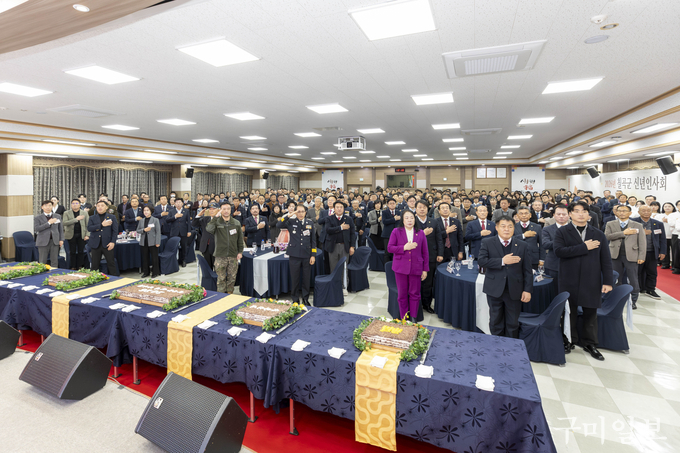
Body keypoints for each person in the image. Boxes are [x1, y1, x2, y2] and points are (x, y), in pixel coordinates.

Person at [554, 201, 613, 361]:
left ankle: (590, 343)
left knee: (590, 313)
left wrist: (608, 281)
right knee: (569, 312)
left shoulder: (598, 233)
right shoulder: (562, 232)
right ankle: (568, 340)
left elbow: (606, 259)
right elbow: (559, 251)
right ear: (570, 214)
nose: (581, 214)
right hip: (569, 278)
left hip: (591, 278)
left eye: (584, 211)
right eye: (577, 211)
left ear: (589, 215)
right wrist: (584, 247)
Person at [477, 216, 533, 338]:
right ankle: (496, 345)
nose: (506, 229)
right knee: (495, 320)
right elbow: (481, 261)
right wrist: (502, 261)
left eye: (510, 226)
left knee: (513, 322)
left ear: (514, 229)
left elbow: (527, 270)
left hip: (515, 290)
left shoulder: (522, 245)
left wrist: (527, 290)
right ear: (496, 228)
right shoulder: (487, 242)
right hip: (494, 288)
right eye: (503, 226)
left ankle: (511, 346)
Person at [387, 210, 429, 320]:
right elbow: (390, 248)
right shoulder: (396, 231)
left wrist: (425, 269)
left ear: (415, 219)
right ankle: (404, 317)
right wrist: (404, 248)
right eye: (406, 218)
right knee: (402, 295)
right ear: (402, 220)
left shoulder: (420, 233)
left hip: (416, 267)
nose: (409, 220)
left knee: (415, 293)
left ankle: (413, 317)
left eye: (411, 218)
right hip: (400, 267)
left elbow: (425, 252)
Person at [605, 205, 645, 309]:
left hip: (632, 255)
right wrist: (623, 233)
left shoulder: (637, 225)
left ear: (630, 213)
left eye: (624, 211)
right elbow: (607, 236)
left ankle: (633, 300)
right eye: (619, 211)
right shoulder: (610, 224)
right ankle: (614, 299)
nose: (621, 213)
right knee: (615, 278)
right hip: (615, 255)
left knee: (633, 279)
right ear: (616, 212)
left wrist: (641, 256)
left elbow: (642, 242)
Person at [278, 204, 316, 306]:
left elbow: (313, 241)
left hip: (306, 255)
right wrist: (289, 215)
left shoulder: (310, 223)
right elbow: (279, 225)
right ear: (295, 212)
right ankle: (295, 299)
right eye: (298, 211)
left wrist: (313, 255)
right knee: (294, 279)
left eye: (302, 211)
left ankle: (305, 298)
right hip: (294, 254)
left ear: (305, 212)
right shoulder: (291, 222)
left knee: (306, 279)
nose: (300, 214)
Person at [207, 202, 244, 294]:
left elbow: (240, 239)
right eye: (224, 209)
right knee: (221, 279)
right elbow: (209, 229)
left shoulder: (236, 223)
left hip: (233, 256)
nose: (226, 211)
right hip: (220, 255)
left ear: (231, 210)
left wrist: (240, 252)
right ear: (220, 210)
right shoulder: (217, 222)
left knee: (232, 278)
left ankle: (229, 296)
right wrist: (216, 217)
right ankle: (220, 297)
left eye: (228, 209)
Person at [631, 205, 666, 300]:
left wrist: (662, 251)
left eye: (648, 210)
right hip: (637, 252)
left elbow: (662, 239)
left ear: (651, 212)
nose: (646, 212)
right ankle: (636, 289)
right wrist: (641, 232)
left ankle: (650, 289)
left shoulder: (658, 223)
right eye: (643, 210)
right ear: (639, 212)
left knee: (652, 272)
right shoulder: (633, 222)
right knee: (637, 271)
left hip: (652, 251)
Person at [415, 200, 442, 314]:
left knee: (428, 283)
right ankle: (416, 305)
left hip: (431, 256)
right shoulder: (411, 221)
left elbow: (439, 239)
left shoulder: (434, 221)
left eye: (424, 207)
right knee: (416, 282)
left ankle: (427, 304)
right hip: (415, 257)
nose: (422, 209)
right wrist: (422, 232)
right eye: (420, 207)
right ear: (415, 209)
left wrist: (440, 253)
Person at [324, 201, 356, 296]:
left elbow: (352, 233)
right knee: (333, 267)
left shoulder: (349, 219)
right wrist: (340, 228)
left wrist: (352, 246)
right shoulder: (329, 218)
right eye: (337, 207)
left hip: (344, 246)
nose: (339, 209)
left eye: (341, 207)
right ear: (334, 208)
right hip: (333, 247)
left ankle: (344, 287)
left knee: (344, 268)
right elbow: (328, 230)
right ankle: (334, 286)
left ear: (343, 209)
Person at [87, 200, 120, 276]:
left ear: (106, 207)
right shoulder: (92, 217)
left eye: (102, 205)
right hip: (95, 244)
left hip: (108, 243)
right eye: (98, 206)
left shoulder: (112, 217)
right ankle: (93, 279)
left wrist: (113, 242)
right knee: (94, 265)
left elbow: (115, 231)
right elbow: (89, 228)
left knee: (111, 263)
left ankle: (114, 278)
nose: (100, 207)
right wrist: (101, 225)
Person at [542, 205, 570, 287]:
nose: (561, 216)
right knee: (553, 290)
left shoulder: (575, 228)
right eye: (558, 214)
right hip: (553, 265)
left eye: (564, 214)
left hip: (571, 264)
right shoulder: (547, 229)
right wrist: (561, 241)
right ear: (554, 215)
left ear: (569, 215)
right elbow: (545, 244)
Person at [34, 200, 64, 267]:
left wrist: (61, 239)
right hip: (43, 241)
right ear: (42, 207)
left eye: (50, 205)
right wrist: (48, 223)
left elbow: (60, 229)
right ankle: (42, 273)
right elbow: (37, 229)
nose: (48, 207)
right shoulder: (37, 218)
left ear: (52, 206)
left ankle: (54, 272)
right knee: (42, 261)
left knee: (54, 260)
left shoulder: (57, 216)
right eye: (45, 205)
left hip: (55, 241)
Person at [63, 198, 89, 269]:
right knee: (72, 252)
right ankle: (73, 266)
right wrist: (76, 219)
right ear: (71, 205)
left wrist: (87, 235)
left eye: (77, 203)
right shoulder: (66, 213)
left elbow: (88, 224)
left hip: (82, 235)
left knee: (81, 251)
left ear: (80, 205)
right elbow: (64, 223)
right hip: (70, 235)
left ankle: (80, 266)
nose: (75, 205)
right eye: (73, 203)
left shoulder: (84, 213)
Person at [137, 205, 161, 278]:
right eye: (144, 210)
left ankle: (155, 272)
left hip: (153, 241)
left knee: (154, 258)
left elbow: (158, 232)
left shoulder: (155, 220)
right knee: (145, 258)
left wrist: (158, 242)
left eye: (147, 210)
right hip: (144, 241)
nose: (146, 212)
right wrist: (144, 230)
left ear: (151, 211)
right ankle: (146, 272)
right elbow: (138, 230)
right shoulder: (141, 220)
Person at [192, 201, 218, 269]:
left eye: (214, 209)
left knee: (217, 269)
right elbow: (194, 224)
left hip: (216, 247)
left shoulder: (221, 220)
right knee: (207, 268)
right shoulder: (205, 219)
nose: (211, 211)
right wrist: (198, 215)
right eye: (210, 209)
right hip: (206, 246)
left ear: (218, 210)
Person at [168, 198, 193, 267]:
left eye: (179, 202)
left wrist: (189, 231)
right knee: (174, 247)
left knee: (184, 246)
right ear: (174, 204)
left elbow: (188, 222)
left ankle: (183, 260)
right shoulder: (171, 211)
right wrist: (175, 217)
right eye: (177, 202)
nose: (178, 204)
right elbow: (167, 220)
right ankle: (174, 261)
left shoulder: (186, 211)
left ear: (182, 203)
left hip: (183, 231)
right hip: (174, 231)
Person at [654, 202, 678, 269]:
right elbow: (655, 223)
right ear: (663, 208)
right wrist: (662, 220)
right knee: (664, 250)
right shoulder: (659, 215)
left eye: (669, 206)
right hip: (663, 235)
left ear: (673, 207)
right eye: (665, 206)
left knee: (674, 251)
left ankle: (674, 265)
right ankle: (665, 264)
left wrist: (668, 221)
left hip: (673, 235)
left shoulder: (675, 215)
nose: (667, 208)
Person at [381, 198, 401, 262]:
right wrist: (394, 219)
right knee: (387, 252)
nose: (392, 205)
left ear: (395, 204)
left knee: (396, 251)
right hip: (387, 234)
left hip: (397, 234)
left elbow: (400, 222)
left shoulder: (399, 212)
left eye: (393, 203)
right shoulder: (384, 212)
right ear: (387, 205)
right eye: (390, 203)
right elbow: (384, 221)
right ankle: (387, 266)